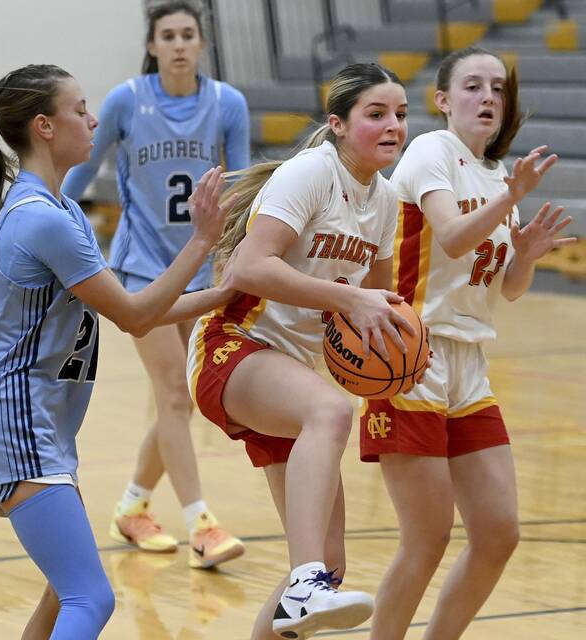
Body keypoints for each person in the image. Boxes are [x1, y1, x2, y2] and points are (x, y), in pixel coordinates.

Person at [0, 63, 235, 640]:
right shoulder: (42, 219)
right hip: (15, 424)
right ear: (44, 127)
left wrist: (229, 293)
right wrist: (204, 241)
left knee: (64, 597)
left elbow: (138, 304)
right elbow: (135, 318)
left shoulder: (65, 211)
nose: (92, 119)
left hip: (34, 427)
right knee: (91, 598)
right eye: (80, 108)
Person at [186, 62, 414, 639]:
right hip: (231, 343)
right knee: (331, 411)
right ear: (337, 123)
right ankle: (303, 581)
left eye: (401, 115)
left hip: (287, 370)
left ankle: (307, 583)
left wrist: (403, 351)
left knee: (329, 567)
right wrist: (350, 300)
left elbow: (378, 302)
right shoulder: (310, 173)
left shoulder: (385, 200)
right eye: (377, 114)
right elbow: (250, 267)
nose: (393, 126)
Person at [359, 46, 575, 640]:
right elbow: (452, 238)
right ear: (443, 101)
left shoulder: (498, 175)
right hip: (407, 356)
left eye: (497, 89)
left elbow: (505, 290)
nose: (487, 98)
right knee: (426, 539)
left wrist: (525, 254)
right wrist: (510, 202)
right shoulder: (433, 150)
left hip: (469, 364)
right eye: (473, 86)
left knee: (498, 532)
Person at [63, 0, 249, 568]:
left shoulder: (227, 104)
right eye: (166, 35)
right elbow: (76, 176)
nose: (177, 44)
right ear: (152, 45)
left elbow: (239, 188)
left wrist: (231, 261)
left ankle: (132, 506)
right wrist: (58, 234)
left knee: (182, 400)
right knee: (173, 392)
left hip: (199, 269)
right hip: (143, 269)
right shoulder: (126, 100)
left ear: (200, 44)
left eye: (187, 34)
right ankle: (202, 524)